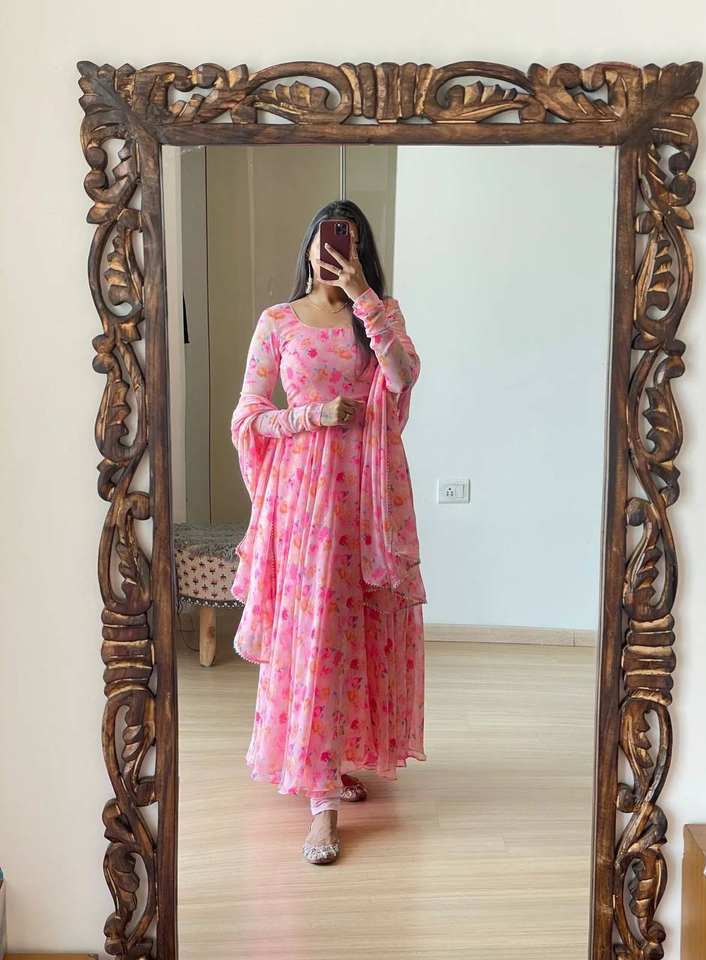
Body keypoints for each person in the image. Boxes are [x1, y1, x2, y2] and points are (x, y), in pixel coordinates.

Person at [229, 199, 427, 865]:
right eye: (323, 238)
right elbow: (248, 415)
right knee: (313, 631)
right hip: (303, 502)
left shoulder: (381, 315)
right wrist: (312, 416)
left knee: (351, 629)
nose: (331, 250)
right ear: (309, 247)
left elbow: (402, 377)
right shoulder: (277, 321)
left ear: (360, 251)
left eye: (346, 240)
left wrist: (365, 299)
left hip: (366, 498)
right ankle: (322, 803)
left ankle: (329, 761)